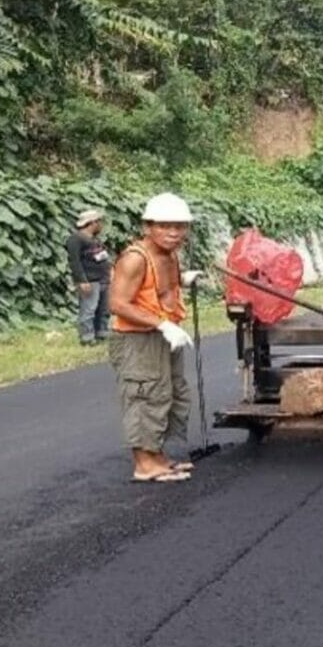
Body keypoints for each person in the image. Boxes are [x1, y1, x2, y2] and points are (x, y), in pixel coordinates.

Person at [108, 193, 205, 483]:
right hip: (138, 339)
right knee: (144, 394)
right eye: (165, 226)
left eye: (179, 226)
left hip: (163, 333)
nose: (173, 232)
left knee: (169, 392)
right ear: (147, 227)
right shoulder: (135, 259)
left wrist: (182, 279)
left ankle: (157, 455)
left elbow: (158, 288)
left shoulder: (169, 254)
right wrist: (163, 324)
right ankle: (144, 464)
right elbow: (118, 304)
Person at [67, 209, 112, 345]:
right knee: (89, 309)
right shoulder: (76, 239)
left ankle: (101, 333)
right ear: (92, 223)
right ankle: (87, 337)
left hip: (102, 279)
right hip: (89, 280)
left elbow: (102, 257)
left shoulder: (94, 240)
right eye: (99, 222)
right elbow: (75, 261)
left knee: (103, 308)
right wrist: (81, 280)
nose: (101, 225)